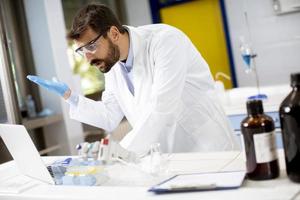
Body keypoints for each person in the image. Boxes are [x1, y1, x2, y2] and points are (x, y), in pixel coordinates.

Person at [27, 4, 238, 155]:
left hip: (207, 149)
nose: (88, 58)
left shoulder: (165, 41)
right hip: (167, 157)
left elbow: (161, 108)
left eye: (91, 46)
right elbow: (109, 116)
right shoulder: (114, 65)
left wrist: (118, 152)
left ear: (114, 33)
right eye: (82, 51)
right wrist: (70, 96)